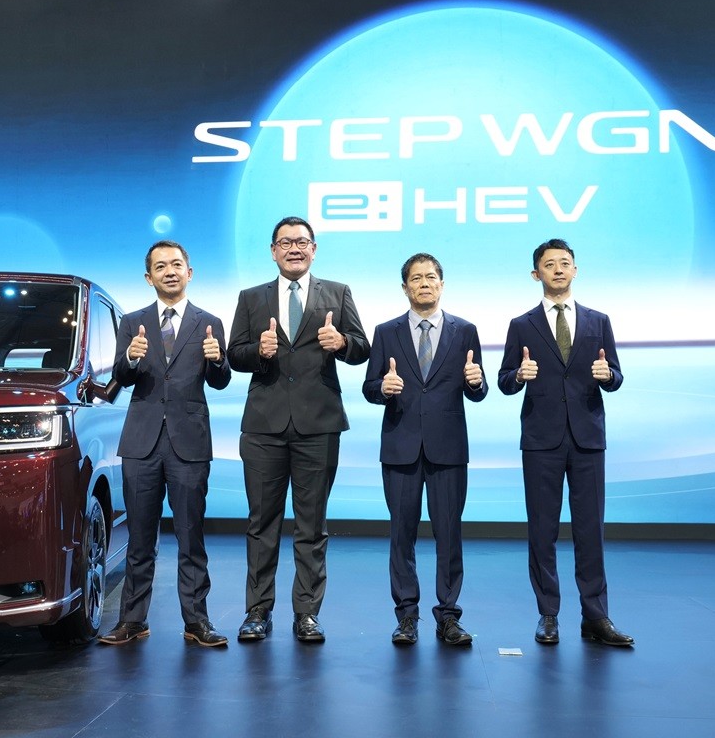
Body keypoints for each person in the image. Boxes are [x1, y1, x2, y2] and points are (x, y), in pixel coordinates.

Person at [227, 216, 370, 643]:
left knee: (312, 524)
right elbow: (235, 354)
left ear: (314, 249)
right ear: (273, 251)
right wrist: (259, 350)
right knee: (262, 523)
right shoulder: (251, 297)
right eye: (286, 242)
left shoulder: (338, 292)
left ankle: (307, 612)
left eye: (302, 242)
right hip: (263, 426)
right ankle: (257, 611)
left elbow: (362, 347)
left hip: (319, 424)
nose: (294, 248)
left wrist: (342, 343)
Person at [498, 238, 634, 648]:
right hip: (541, 439)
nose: (558, 269)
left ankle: (596, 616)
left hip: (588, 437)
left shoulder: (598, 321)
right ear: (535, 273)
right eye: (549, 264)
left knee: (591, 530)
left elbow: (616, 375)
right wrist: (518, 376)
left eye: (564, 262)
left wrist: (608, 376)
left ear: (575, 270)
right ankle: (548, 614)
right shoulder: (521, 324)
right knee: (542, 530)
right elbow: (504, 381)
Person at [99, 240, 232, 648]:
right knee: (140, 539)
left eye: (176, 264)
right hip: (141, 443)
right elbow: (121, 377)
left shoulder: (210, 322)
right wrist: (131, 358)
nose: (169, 271)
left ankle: (197, 621)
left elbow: (220, 380)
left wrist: (217, 359)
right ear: (149, 277)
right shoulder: (132, 322)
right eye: (160, 266)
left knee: (192, 537)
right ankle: (132, 620)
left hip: (189, 442)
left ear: (189, 272)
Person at [361, 253, 487, 647]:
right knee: (402, 535)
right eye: (416, 278)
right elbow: (369, 387)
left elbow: (478, 390)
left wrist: (476, 381)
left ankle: (448, 616)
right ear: (405, 287)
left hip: (448, 448)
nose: (424, 283)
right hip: (400, 447)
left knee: (449, 534)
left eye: (431, 277)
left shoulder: (465, 331)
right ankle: (406, 616)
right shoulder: (386, 332)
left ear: (442, 284)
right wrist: (383, 388)